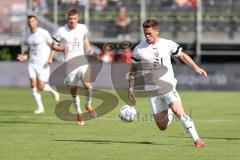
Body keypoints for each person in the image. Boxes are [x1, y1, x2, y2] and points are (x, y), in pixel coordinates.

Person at [128, 19, 207, 147]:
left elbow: (182, 56)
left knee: (178, 110)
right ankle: (169, 113)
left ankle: (197, 139)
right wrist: (130, 88)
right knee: (162, 126)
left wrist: (196, 67)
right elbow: (133, 70)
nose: (147, 36)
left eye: (150, 33)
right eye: (145, 34)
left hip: (168, 86)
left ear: (156, 31)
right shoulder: (139, 49)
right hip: (153, 91)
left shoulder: (167, 44)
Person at [51, 9, 97, 126]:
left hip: (81, 61)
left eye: (74, 18)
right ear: (67, 19)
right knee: (74, 90)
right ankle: (79, 113)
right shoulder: (61, 31)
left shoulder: (82, 28)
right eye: (70, 19)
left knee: (87, 84)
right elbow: (53, 45)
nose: (72, 21)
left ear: (78, 18)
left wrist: (88, 48)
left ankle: (88, 104)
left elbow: (85, 38)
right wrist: (61, 49)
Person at [17, 15, 60, 114]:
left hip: (43, 64)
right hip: (32, 64)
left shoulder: (43, 33)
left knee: (41, 87)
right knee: (33, 85)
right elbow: (29, 51)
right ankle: (40, 108)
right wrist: (24, 57)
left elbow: (53, 46)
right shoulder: (28, 36)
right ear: (28, 24)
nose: (31, 23)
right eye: (29, 21)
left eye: (33, 21)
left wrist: (50, 58)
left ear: (36, 22)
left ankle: (53, 92)